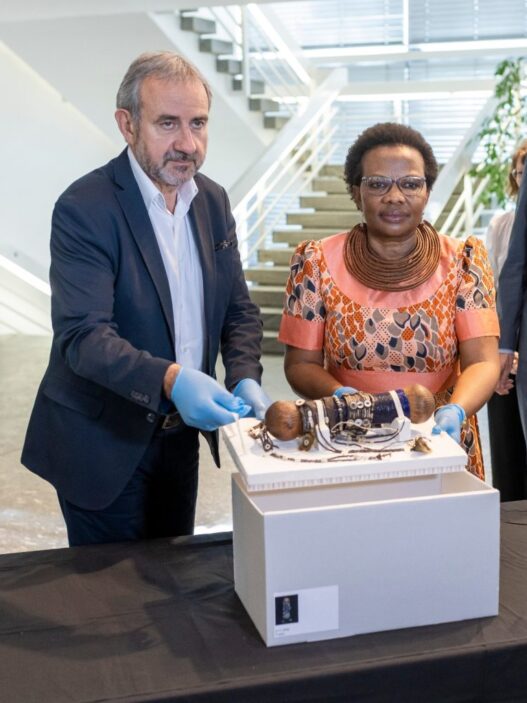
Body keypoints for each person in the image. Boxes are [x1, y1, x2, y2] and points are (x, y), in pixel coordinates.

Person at [21, 51, 271, 546]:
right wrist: (172, 379)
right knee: (110, 599)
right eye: (167, 123)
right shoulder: (84, 208)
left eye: (198, 123)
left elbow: (238, 309)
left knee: (173, 581)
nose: (187, 143)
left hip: (180, 438)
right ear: (127, 124)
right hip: (103, 440)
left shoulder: (213, 200)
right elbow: (84, 337)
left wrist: (244, 375)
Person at [278, 122, 500, 479]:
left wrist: (456, 410)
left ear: (427, 192)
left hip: (441, 440)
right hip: (349, 435)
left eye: (411, 184)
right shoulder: (315, 262)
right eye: (378, 184)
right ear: (356, 192)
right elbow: (300, 365)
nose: (395, 196)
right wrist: (349, 399)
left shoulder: (464, 261)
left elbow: (483, 362)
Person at [486, 143, 527, 500]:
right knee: (509, 454)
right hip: (506, 344)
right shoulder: (502, 225)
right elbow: (500, 284)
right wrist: (504, 346)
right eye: (520, 171)